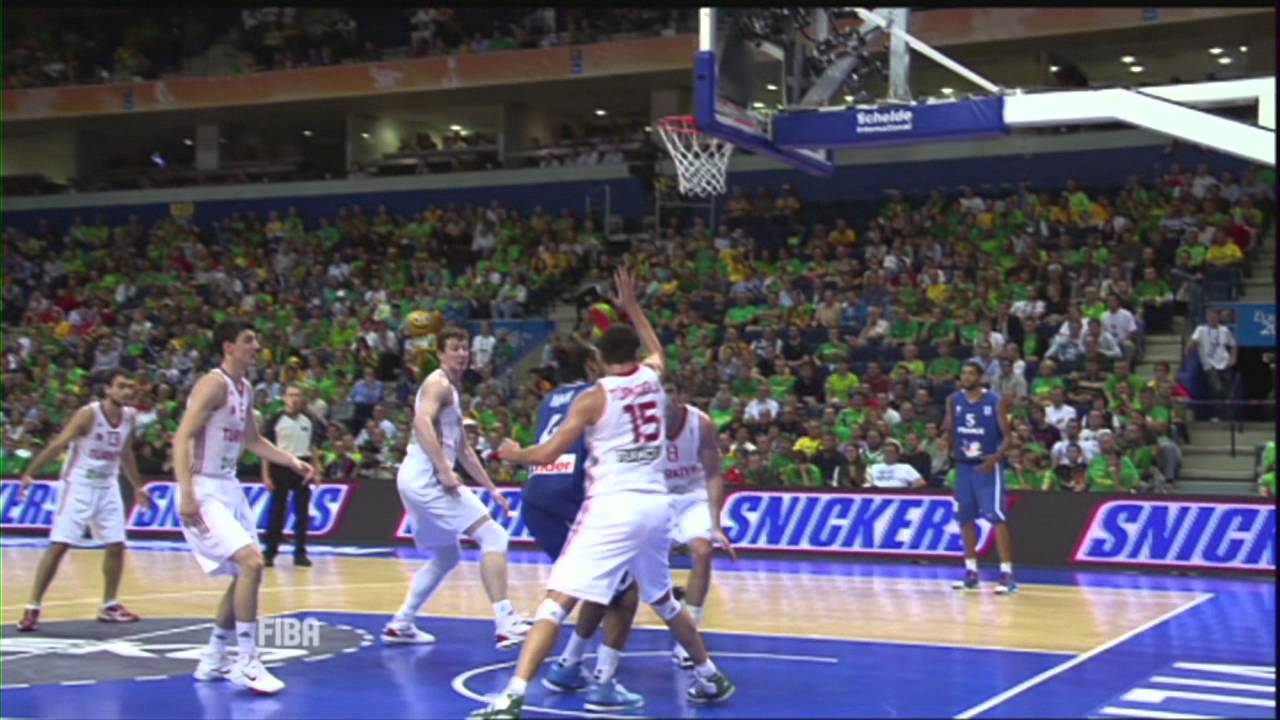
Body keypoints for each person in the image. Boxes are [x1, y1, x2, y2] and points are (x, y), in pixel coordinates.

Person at [471, 269, 734, 719]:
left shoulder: (593, 399)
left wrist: (515, 454)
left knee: (556, 601)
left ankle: (512, 696)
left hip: (612, 506)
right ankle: (708, 675)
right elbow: (656, 348)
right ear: (634, 353)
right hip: (656, 507)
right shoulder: (653, 379)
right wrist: (631, 304)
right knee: (665, 599)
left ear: (597, 355)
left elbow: (548, 452)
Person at [172, 321, 317, 694]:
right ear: (228, 347)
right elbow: (182, 436)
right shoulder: (213, 383)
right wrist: (186, 490)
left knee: (243, 573)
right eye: (248, 340)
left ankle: (213, 657)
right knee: (252, 562)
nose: (257, 346)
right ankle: (247, 661)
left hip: (229, 487)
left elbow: (252, 439)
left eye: (257, 338)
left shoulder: (245, 388)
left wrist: (290, 460)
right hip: (202, 486)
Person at [382, 325, 531, 650]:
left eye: (464, 347)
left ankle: (402, 622)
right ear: (440, 352)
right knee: (494, 536)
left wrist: (491, 488)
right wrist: (443, 468)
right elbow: (421, 422)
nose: (462, 353)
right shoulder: (437, 383)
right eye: (454, 348)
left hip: (416, 479)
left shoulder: (453, 390)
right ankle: (506, 622)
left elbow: (464, 448)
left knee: (447, 555)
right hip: (426, 478)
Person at [523, 335, 646, 711]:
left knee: (600, 585)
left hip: (535, 501)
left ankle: (569, 665)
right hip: (572, 499)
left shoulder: (548, 400)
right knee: (622, 594)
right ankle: (598, 682)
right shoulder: (600, 394)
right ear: (593, 366)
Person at [16, 369, 152, 631]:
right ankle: (33, 606)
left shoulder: (129, 417)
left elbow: (125, 453)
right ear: (108, 389)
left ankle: (109, 604)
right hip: (79, 485)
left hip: (108, 485)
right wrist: (30, 472)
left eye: (130, 387)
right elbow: (58, 444)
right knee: (59, 546)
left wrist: (137, 486)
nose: (127, 391)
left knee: (116, 545)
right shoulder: (88, 414)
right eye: (121, 386)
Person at [661, 381, 735, 668]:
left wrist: (715, 525)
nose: (664, 398)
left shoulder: (701, 423)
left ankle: (689, 633)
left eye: (670, 391)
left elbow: (714, 474)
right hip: (656, 495)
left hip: (693, 495)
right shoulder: (641, 427)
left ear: (682, 395)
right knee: (638, 573)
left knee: (703, 550)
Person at [944, 361, 1017, 594]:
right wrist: (950, 447)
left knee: (996, 517)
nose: (966, 377)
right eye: (963, 373)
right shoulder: (954, 400)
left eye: (971, 373)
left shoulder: (995, 400)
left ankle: (1007, 573)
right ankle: (971, 571)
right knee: (964, 518)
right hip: (964, 467)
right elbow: (950, 429)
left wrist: (995, 458)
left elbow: (1008, 438)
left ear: (980, 376)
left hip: (987, 466)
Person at [260, 385, 323, 567]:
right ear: (284, 398)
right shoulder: (275, 420)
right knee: (277, 510)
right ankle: (270, 551)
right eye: (291, 395)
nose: (294, 399)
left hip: (302, 465)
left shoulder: (309, 420)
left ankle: (300, 552)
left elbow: (313, 448)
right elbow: (266, 449)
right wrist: (266, 475)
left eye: (297, 395)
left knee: (302, 512)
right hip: (280, 465)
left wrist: (316, 471)